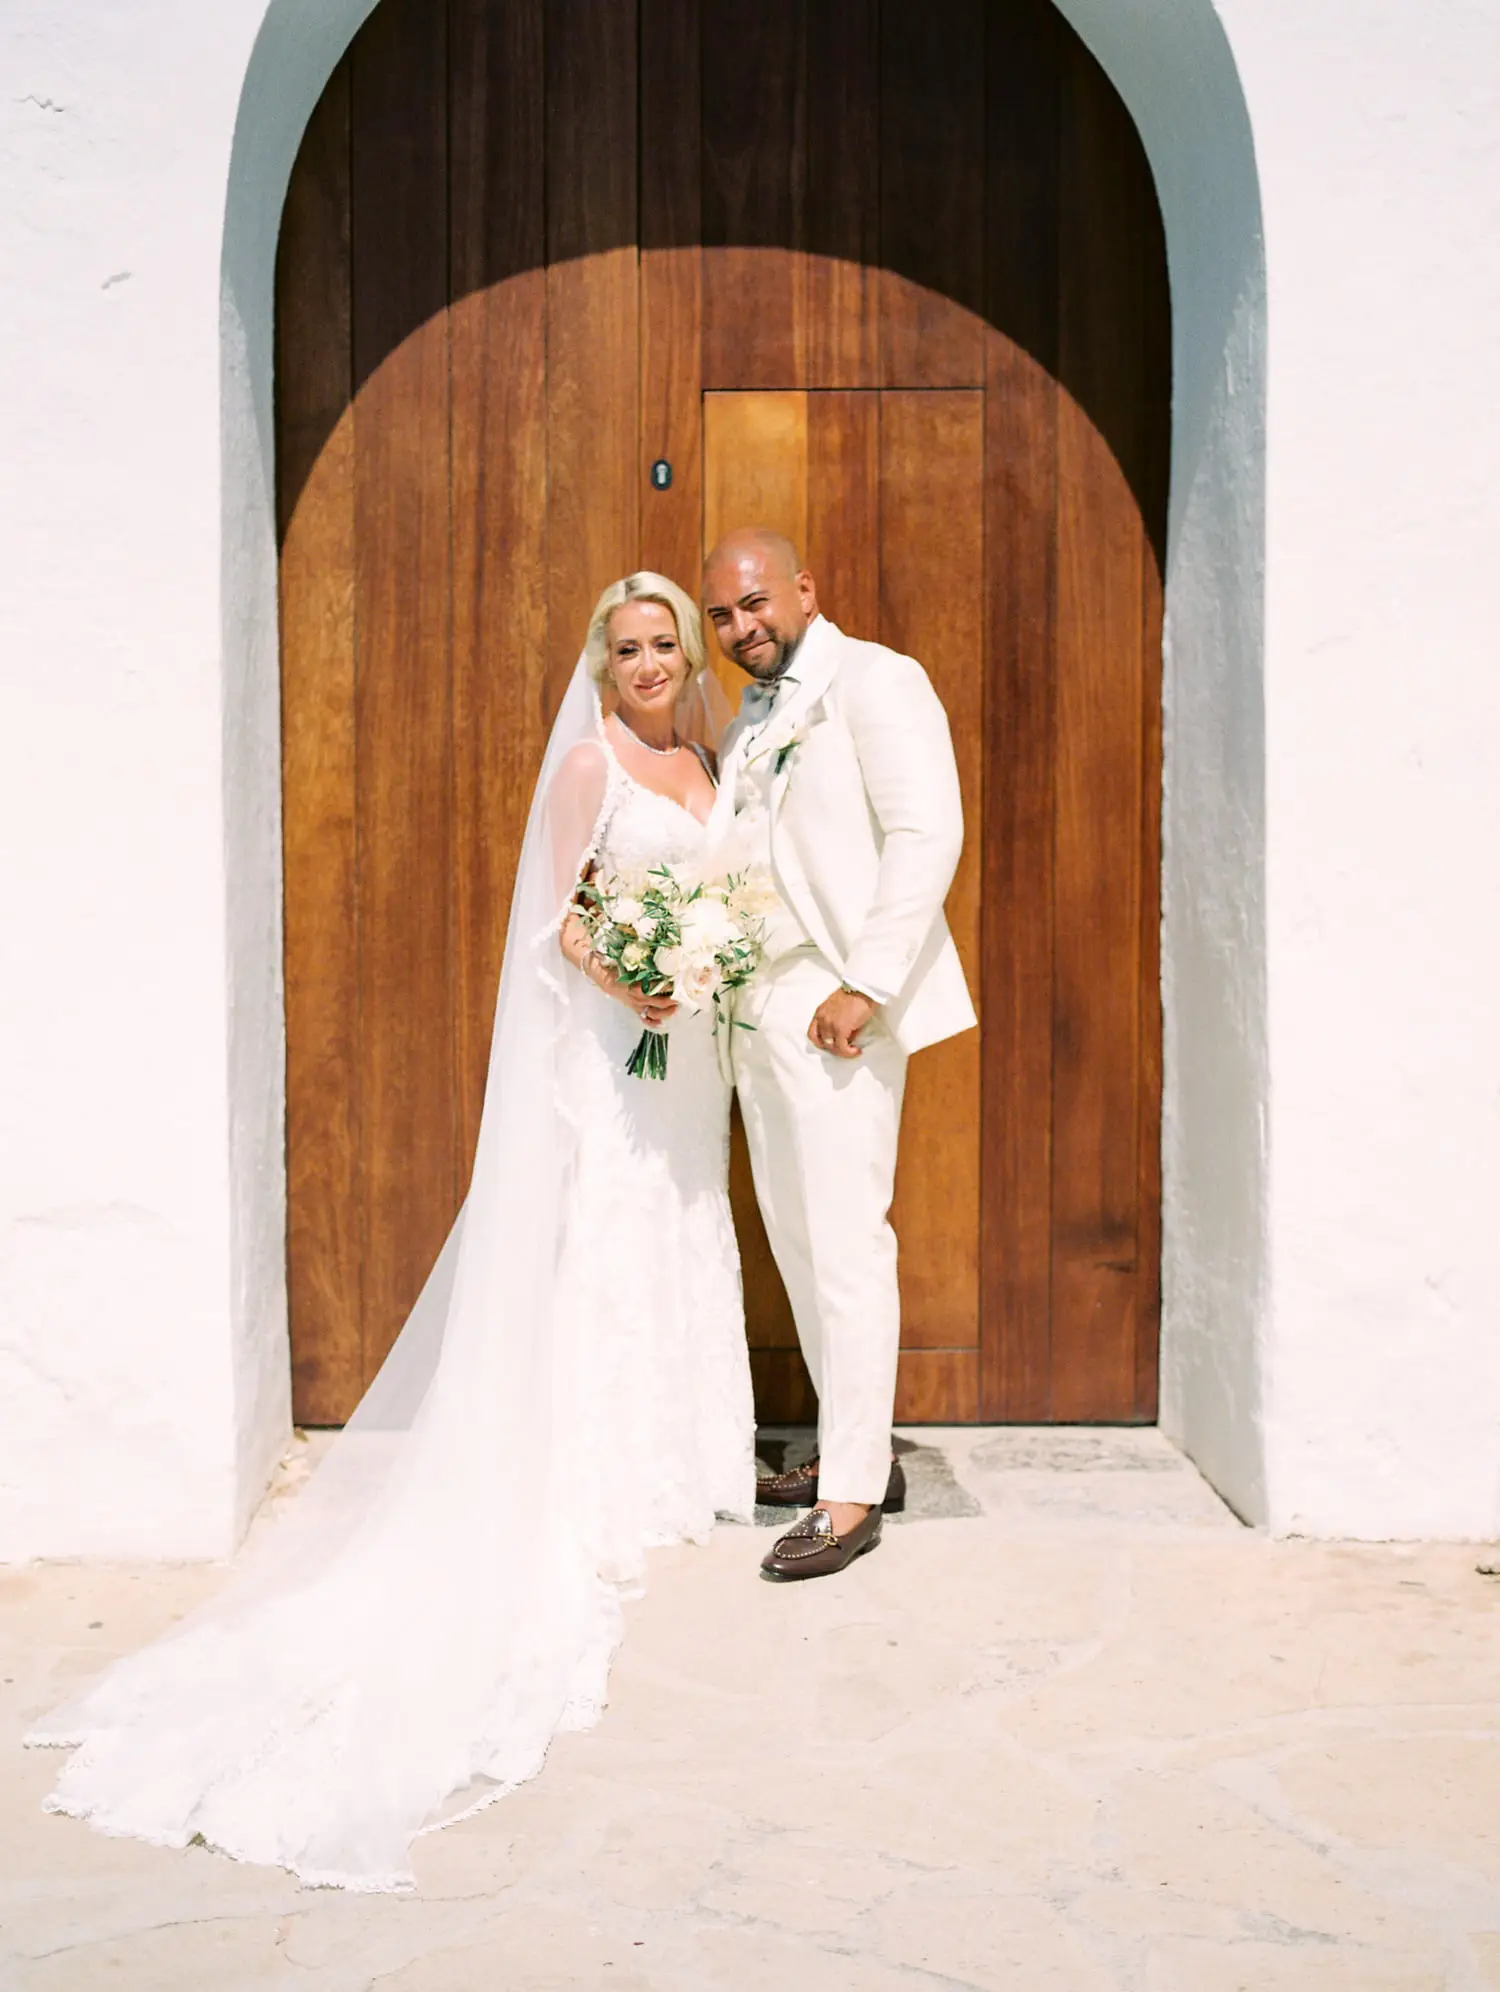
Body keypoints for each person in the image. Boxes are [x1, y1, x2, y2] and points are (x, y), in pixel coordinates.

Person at [25, 574, 755, 1893]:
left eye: (667, 646)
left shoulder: (700, 757)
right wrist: (638, 980)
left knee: (680, 1221)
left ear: (689, 657)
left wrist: (698, 969)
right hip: (620, 1044)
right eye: (632, 647)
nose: (652, 663)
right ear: (604, 661)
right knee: (604, 1242)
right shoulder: (592, 765)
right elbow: (560, 915)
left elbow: (713, 899)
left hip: (686, 1063)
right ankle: (603, 1478)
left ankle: (682, 1458)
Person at [702, 528, 977, 1582]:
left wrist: (866, 979)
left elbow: (926, 831)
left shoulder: (877, 679)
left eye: (757, 603)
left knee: (848, 1242)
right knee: (800, 1242)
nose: (741, 628)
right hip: (758, 1008)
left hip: (838, 1002)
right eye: (723, 615)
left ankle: (852, 1493)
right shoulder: (749, 718)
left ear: (806, 591)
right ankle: (851, 1450)